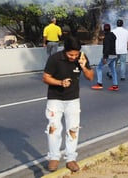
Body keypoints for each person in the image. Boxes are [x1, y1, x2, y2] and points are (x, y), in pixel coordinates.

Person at [42, 35, 94, 172]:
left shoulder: (82, 58)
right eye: (71, 54)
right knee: (53, 128)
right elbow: (45, 78)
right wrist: (60, 83)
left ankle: (71, 159)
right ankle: (54, 157)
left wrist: (83, 66)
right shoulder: (55, 59)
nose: (73, 57)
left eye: (76, 54)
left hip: (73, 100)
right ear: (65, 51)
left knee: (73, 129)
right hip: (55, 99)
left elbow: (90, 77)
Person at [91, 24, 119, 91]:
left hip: (108, 55)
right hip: (114, 55)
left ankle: (99, 83)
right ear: (110, 29)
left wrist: (105, 57)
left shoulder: (106, 38)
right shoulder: (113, 36)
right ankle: (115, 85)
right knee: (113, 70)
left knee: (99, 68)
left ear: (104, 30)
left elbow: (106, 48)